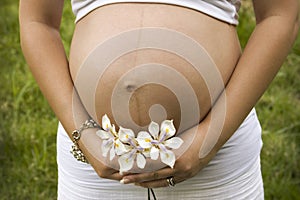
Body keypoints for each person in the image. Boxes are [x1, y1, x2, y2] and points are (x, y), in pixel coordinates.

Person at [19, 0, 299, 199]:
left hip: (215, 157)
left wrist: (208, 140)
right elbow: (37, 22)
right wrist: (84, 136)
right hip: (95, 162)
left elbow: (281, 14)